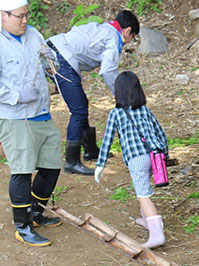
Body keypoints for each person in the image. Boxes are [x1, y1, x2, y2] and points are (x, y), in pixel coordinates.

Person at [0, 0, 64, 247]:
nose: (25, 20)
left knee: (51, 166)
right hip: (14, 116)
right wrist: (16, 96)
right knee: (22, 171)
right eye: (20, 16)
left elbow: (52, 68)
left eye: (27, 15)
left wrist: (51, 60)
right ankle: (22, 225)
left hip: (41, 112)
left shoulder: (34, 33)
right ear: (3, 16)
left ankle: (36, 213)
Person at [46, 10, 139, 175]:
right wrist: (120, 96)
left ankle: (90, 150)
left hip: (52, 50)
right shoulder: (113, 39)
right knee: (79, 110)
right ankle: (72, 162)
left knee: (81, 105)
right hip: (60, 59)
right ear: (127, 31)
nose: (129, 42)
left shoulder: (103, 28)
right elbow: (108, 71)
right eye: (133, 37)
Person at [94, 71, 169, 249]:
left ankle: (157, 234)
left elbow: (107, 141)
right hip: (155, 156)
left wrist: (100, 165)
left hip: (137, 159)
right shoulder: (145, 110)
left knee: (143, 195)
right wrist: (165, 155)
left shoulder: (116, 113)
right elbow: (161, 133)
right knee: (143, 189)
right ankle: (146, 220)